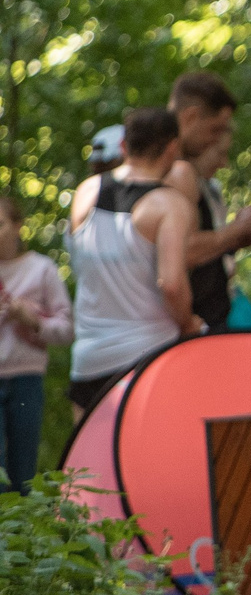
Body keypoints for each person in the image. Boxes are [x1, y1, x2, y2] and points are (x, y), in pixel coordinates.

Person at [67, 107, 198, 424]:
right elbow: (172, 283)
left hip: (88, 358)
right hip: (146, 356)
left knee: (86, 467)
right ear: (172, 148)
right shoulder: (170, 205)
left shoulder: (87, 191)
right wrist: (187, 323)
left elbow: (79, 262)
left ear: (124, 145)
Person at [167, 72, 251, 333]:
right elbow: (185, 250)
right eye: (215, 129)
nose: (216, 138)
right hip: (192, 323)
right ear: (190, 117)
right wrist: (236, 230)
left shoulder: (189, 173)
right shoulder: (177, 172)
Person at [0, 197, 73, 494]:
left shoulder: (41, 269)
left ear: (18, 226)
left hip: (26, 380)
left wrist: (32, 321)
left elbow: (66, 330)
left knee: (22, 471)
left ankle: (21, 537)